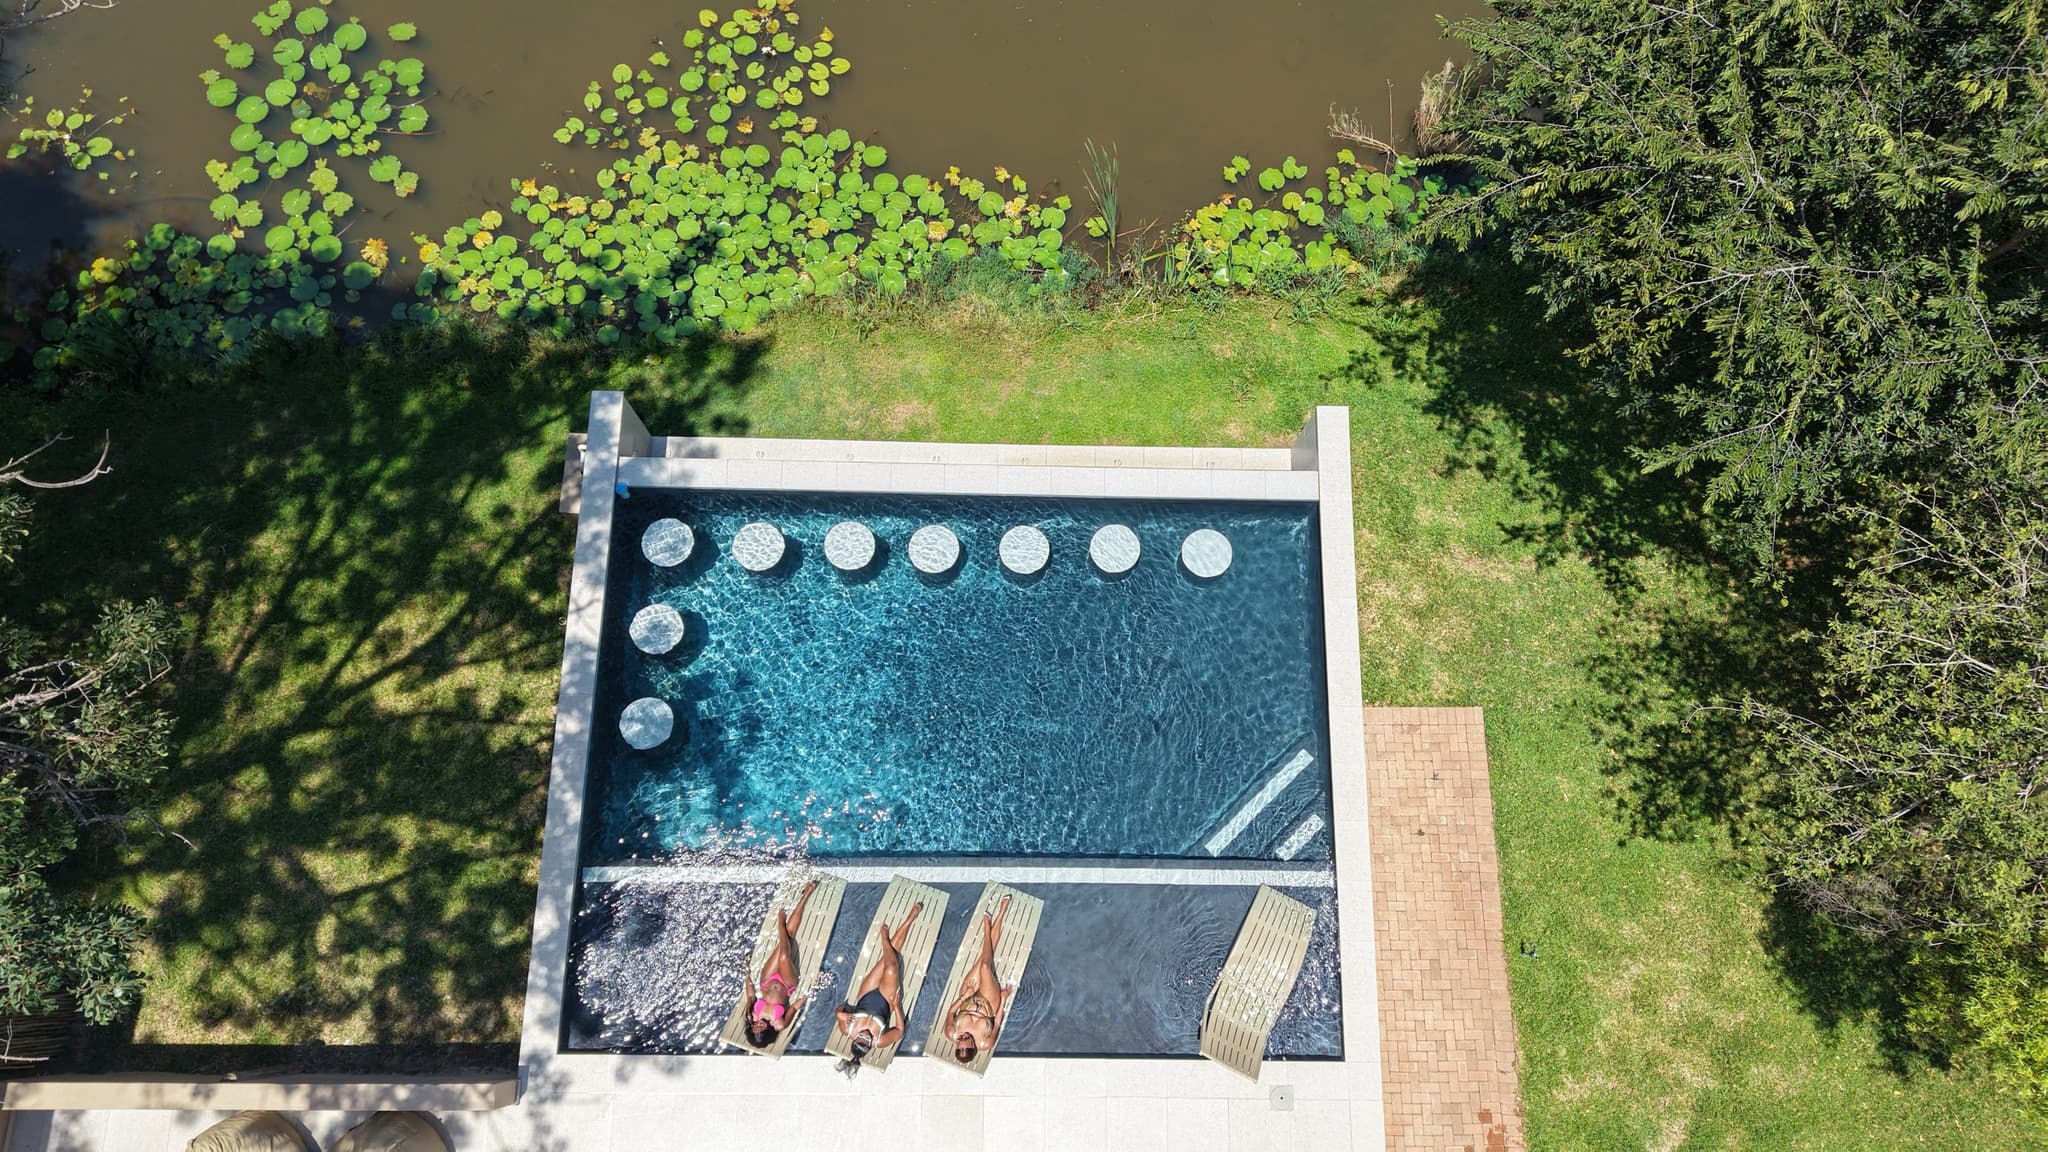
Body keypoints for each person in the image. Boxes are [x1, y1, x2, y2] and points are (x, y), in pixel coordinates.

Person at [833, 900, 923, 1077]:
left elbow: (840, 1007)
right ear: (869, 1046)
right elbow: (899, 1032)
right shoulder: (879, 1040)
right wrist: (897, 1007)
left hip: (866, 993)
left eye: (861, 1039)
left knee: (888, 959)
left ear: (854, 1039)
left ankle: (897, 931)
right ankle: (897, 929)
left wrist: (840, 1014)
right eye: (867, 1042)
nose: (865, 1037)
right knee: (891, 967)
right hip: (887, 1000)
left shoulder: (846, 1030)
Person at [742, 879, 818, 1050]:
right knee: (784, 953)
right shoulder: (780, 1025)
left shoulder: (752, 1015)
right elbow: (796, 1006)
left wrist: (747, 972)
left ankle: (786, 924)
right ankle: (787, 917)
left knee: (787, 940)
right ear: (768, 1032)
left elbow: (751, 996)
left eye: (755, 1027)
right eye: (761, 1028)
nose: (758, 1024)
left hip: (767, 980)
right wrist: (813, 988)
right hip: (787, 984)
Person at [942, 894, 1015, 1065]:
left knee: (982, 961)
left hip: (967, 997)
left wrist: (963, 997)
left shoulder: (950, 1033)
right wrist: (1003, 999)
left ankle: (993, 922)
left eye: (959, 1040)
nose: (962, 1037)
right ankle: (991, 923)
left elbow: (951, 1013)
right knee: (984, 966)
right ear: (972, 1047)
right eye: (965, 1039)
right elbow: (997, 1023)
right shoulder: (986, 1043)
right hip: (990, 1003)